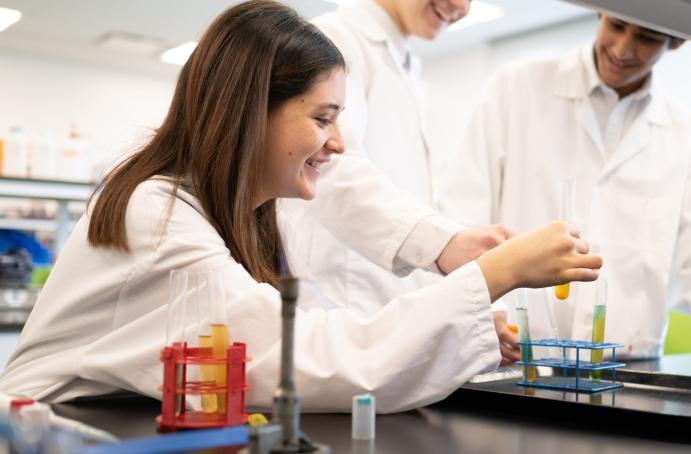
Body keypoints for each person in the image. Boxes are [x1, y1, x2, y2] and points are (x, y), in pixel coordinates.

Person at [0, 1, 602, 413]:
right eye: (323, 119)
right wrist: (490, 274)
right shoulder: (156, 217)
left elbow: (299, 335)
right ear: (248, 111)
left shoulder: (235, 217)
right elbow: (300, 360)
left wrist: (454, 324)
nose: (338, 145)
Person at [439, 14, 691, 376]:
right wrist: (484, 312)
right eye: (615, 26)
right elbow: (463, 219)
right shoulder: (517, 90)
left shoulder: (687, 137)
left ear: (676, 42)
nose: (622, 48)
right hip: (513, 362)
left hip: (628, 376)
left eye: (646, 37)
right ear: (598, 12)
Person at [282, 0, 496, 319]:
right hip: (340, 304)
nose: (460, 6)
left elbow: (411, 207)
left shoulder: (404, 61)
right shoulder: (337, 39)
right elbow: (329, 168)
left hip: (385, 308)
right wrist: (444, 244)